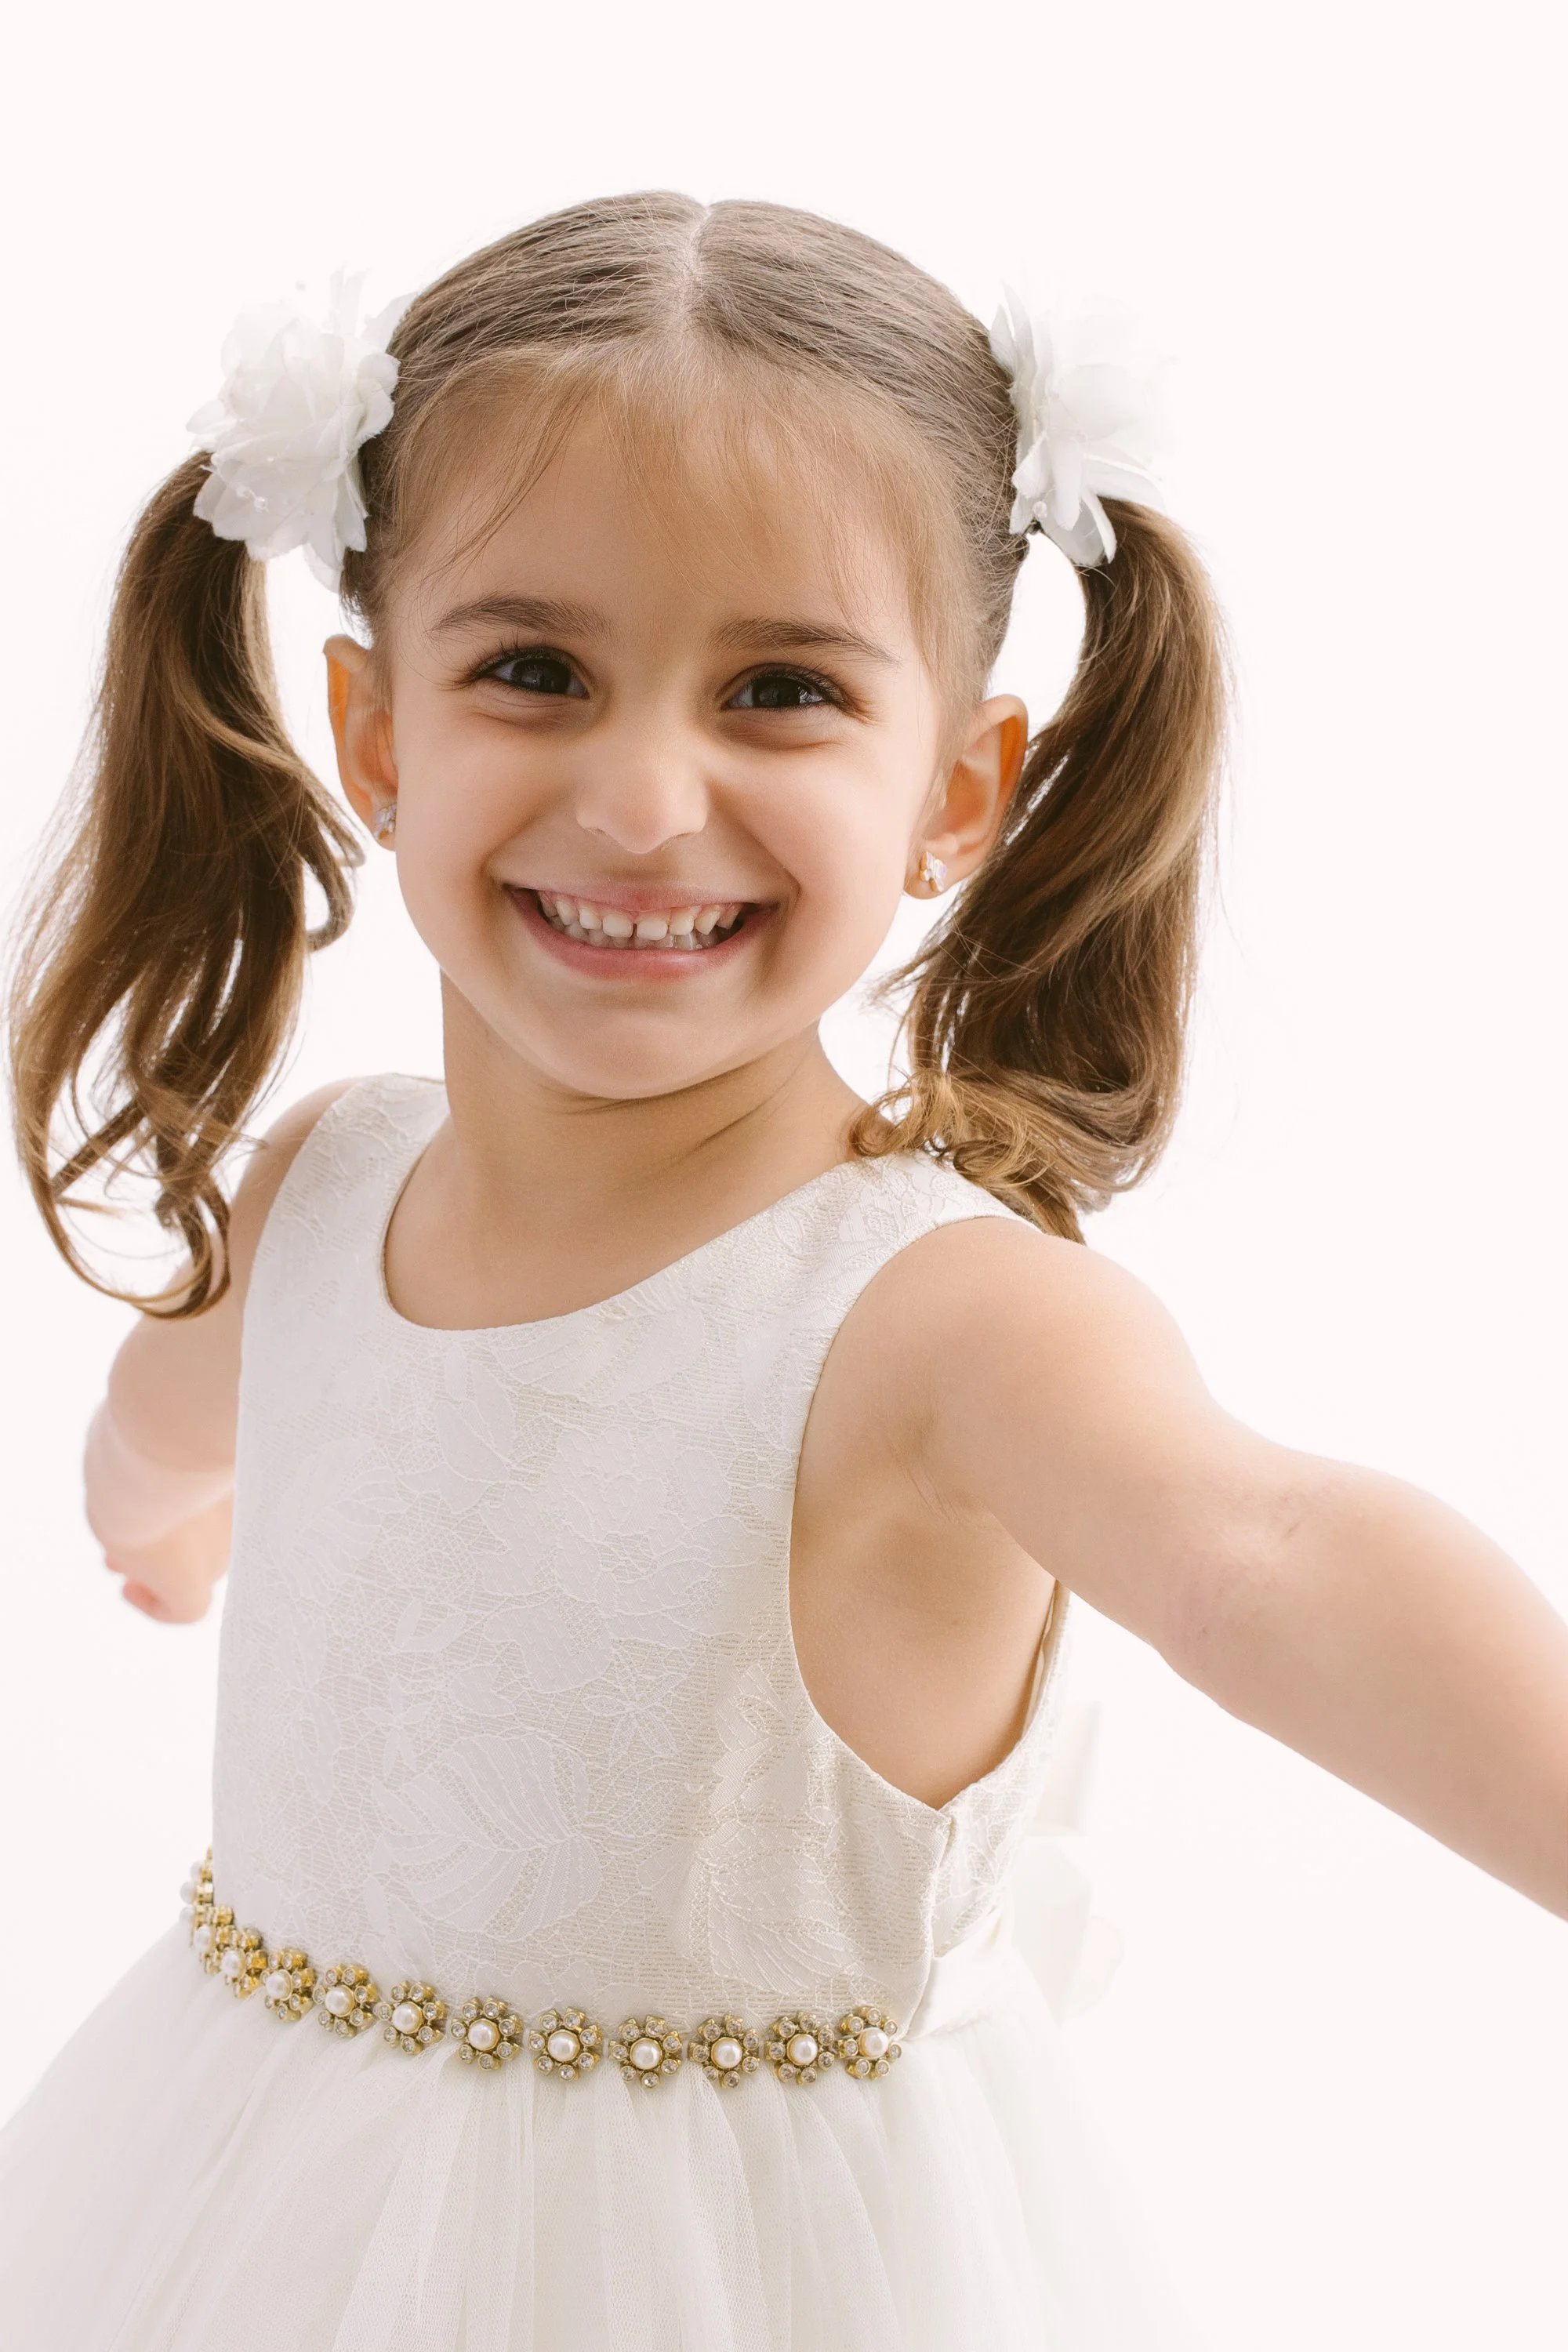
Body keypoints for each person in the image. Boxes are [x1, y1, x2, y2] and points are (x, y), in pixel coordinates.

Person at [1, 192, 1563, 2352]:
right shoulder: (324, 1188)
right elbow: (171, 1416)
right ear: (374, 730)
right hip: (254, 2223)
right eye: (532, 669)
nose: (645, 798)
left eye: (782, 692)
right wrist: (156, 1521)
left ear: (954, 790)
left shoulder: (939, 1326)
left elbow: (1263, 1554)